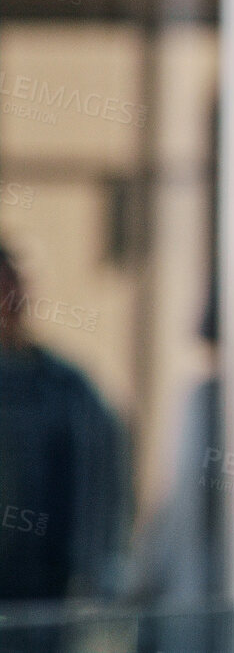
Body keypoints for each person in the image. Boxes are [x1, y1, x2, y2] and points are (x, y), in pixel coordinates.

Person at [0, 242, 128, 606]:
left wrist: (99, 574)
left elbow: (104, 486)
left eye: (10, 286)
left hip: (47, 600)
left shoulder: (66, 388)